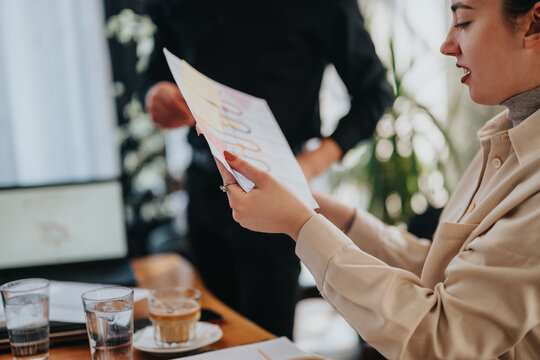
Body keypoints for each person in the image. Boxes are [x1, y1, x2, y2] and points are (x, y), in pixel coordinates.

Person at [215, 0, 540, 358]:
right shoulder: (502, 138)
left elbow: (443, 338)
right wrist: (316, 206)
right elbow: (442, 272)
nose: (447, 45)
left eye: (463, 22)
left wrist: (300, 224)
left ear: (533, 23)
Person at [140, 0, 392, 338]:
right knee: (208, 338)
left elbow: (374, 92)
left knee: (268, 341)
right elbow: (156, 70)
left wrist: (312, 164)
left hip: (277, 195)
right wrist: (156, 94)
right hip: (204, 190)